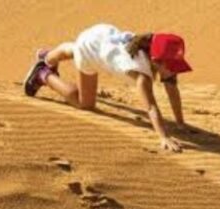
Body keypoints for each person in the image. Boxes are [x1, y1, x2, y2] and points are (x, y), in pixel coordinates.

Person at [22, 23, 191, 152]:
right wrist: (164, 137)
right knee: (84, 103)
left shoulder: (146, 45)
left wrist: (180, 123)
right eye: (172, 65)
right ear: (156, 61)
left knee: (80, 46)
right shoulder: (141, 74)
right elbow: (151, 107)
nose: (175, 69)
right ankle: (43, 74)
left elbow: (172, 89)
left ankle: (48, 56)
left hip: (100, 34)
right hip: (90, 52)